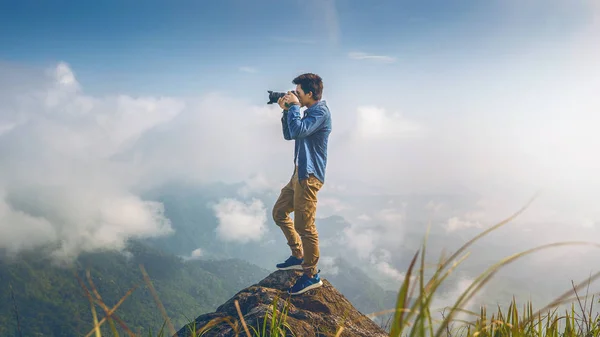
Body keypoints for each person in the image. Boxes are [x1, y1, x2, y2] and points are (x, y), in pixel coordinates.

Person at [272, 73, 332, 296]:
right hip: (299, 173)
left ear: (309, 93)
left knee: (305, 227)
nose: (295, 95)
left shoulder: (320, 113)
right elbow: (290, 134)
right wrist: (287, 110)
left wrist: (294, 108)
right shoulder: (307, 112)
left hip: (310, 177)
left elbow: (298, 130)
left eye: (298, 93)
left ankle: (311, 275)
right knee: (279, 212)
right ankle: (297, 256)